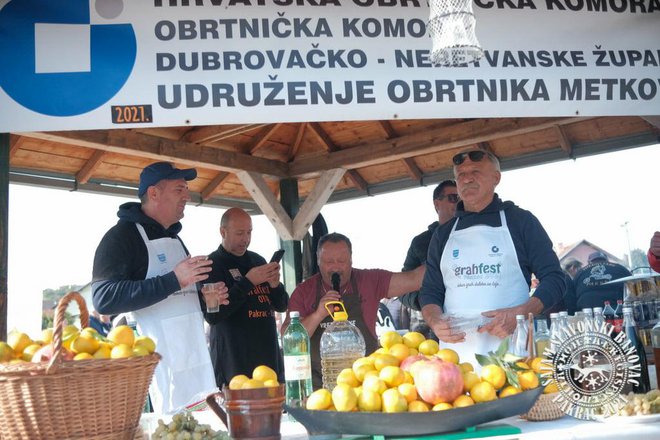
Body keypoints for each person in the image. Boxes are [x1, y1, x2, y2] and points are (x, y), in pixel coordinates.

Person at [92, 162, 228, 414]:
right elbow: (103, 298)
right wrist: (174, 279)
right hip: (157, 372)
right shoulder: (121, 237)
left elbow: (179, 298)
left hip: (196, 363)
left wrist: (206, 297)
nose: (187, 196)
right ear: (153, 193)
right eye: (179, 189)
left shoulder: (175, 238)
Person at [419, 148, 565, 366]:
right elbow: (430, 292)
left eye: (475, 172)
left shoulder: (521, 222)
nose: (467, 179)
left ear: (496, 178)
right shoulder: (443, 234)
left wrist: (522, 313)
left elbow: (555, 279)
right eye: (460, 175)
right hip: (454, 365)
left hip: (512, 357)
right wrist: (434, 321)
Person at [286, 232, 425, 388]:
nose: (335, 267)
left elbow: (414, 279)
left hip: (366, 385)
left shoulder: (369, 281)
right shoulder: (304, 291)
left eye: (341, 261)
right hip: (320, 387)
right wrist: (318, 314)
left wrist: (443, 245)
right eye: (328, 261)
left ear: (351, 260)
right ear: (318, 261)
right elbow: (290, 341)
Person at [204, 208, 288, 387]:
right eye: (240, 233)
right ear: (223, 232)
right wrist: (247, 282)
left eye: (249, 232)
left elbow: (281, 306)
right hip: (234, 363)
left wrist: (275, 285)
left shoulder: (257, 260)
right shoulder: (211, 266)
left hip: (268, 358)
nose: (246, 239)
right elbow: (213, 315)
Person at [399, 180, 459, 335]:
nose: (459, 202)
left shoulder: (477, 235)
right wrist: (428, 302)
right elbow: (402, 291)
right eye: (453, 197)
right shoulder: (421, 242)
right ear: (437, 204)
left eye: (462, 198)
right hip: (434, 331)